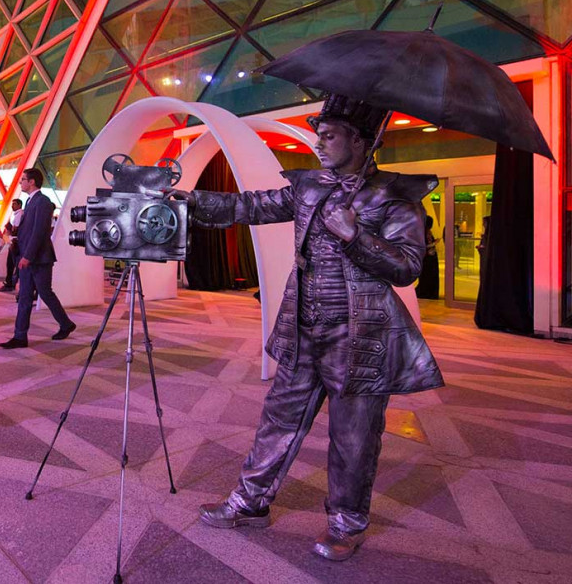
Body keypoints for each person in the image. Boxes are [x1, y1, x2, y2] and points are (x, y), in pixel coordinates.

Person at [170, 94, 444, 561]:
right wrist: (193, 200)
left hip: (360, 338)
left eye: (330, 136)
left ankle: (346, 523)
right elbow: (252, 206)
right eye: (320, 134)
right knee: (278, 419)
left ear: (360, 141)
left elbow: (406, 268)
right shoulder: (310, 186)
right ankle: (250, 501)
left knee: (353, 439)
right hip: (303, 329)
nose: (319, 143)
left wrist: (354, 234)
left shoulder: (395, 197)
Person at [0, 168, 76, 349]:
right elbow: (29, 231)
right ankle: (20, 336)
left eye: (23, 179)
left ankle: (65, 324)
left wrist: (27, 256)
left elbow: (39, 232)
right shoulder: (31, 201)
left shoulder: (43, 202)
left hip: (39, 259)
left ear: (32, 182)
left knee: (45, 293)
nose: (21, 182)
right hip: (29, 257)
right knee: (25, 296)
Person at [0, 199, 24, 291]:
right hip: (13, 242)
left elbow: (15, 230)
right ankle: (9, 283)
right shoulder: (15, 215)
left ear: (19, 205)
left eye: (14, 204)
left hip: (15, 243)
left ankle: (11, 284)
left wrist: (9, 229)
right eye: (12, 204)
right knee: (10, 264)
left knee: (14, 265)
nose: (12, 206)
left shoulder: (20, 214)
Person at [415, 214, 439, 299]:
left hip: (431, 258)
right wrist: (433, 244)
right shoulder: (422, 233)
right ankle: (426, 293)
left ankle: (430, 293)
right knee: (427, 276)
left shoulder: (427, 232)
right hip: (426, 259)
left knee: (431, 276)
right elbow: (422, 246)